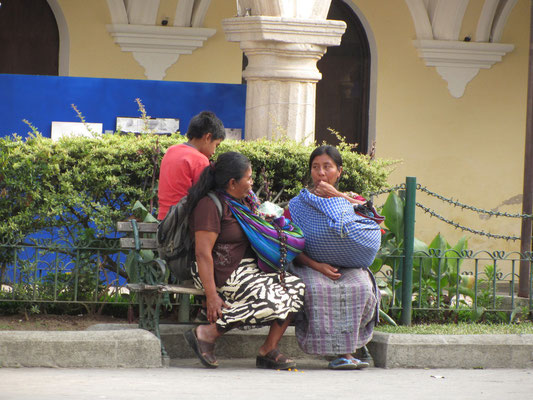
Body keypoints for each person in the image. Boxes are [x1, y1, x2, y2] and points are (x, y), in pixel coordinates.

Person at [183, 151, 306, 369]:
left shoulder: (246, 203)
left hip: (247, 270)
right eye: (248, 178)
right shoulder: (209, 206)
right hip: (218, 271)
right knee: (273, 302)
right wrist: (211, 295)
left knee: (295, 287)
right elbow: (202, 254)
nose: (252, 183)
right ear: (232, 182)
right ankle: (207, 333)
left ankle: (268, 349)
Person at [285, 145, 382, 370]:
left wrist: (337, 197)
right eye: (315, 167)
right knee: (317, 290)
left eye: (327, 167)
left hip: (350, 266)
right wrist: (316, 265)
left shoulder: (352, 199)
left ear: (338, 171)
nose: (321, 173)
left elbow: (375, 224)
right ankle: (338, 353)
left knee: (361, 288)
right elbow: (290, 244)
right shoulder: (299, 204)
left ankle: (346, 353)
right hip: (310, 265)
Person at [157, 111, 225, 220]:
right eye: (216, 145)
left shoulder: (171, 150)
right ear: (208, 137)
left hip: (164, 219)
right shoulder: (200, 160)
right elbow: (204, 198)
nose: (214, 151)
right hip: (183, 221)